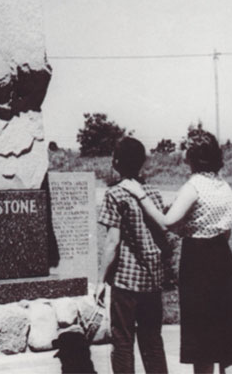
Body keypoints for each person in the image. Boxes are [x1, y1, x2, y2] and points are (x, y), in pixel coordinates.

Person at [122, 130, 232, 374]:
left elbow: (167, 221)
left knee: (201, 335)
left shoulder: (194, 186)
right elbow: (225, 229)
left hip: (199, 260)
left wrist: (141, 195)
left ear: (193, 157)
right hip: (222, 256)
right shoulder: (224, 186)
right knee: (227, 332)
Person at [96, 136, 168, 374]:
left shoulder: (114, 195)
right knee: (153, 342)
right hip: (152, 281)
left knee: (123, 342)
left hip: (125, 282)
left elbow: (112, 243)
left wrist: (100, 281)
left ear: (115, 161)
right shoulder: (153, 193)